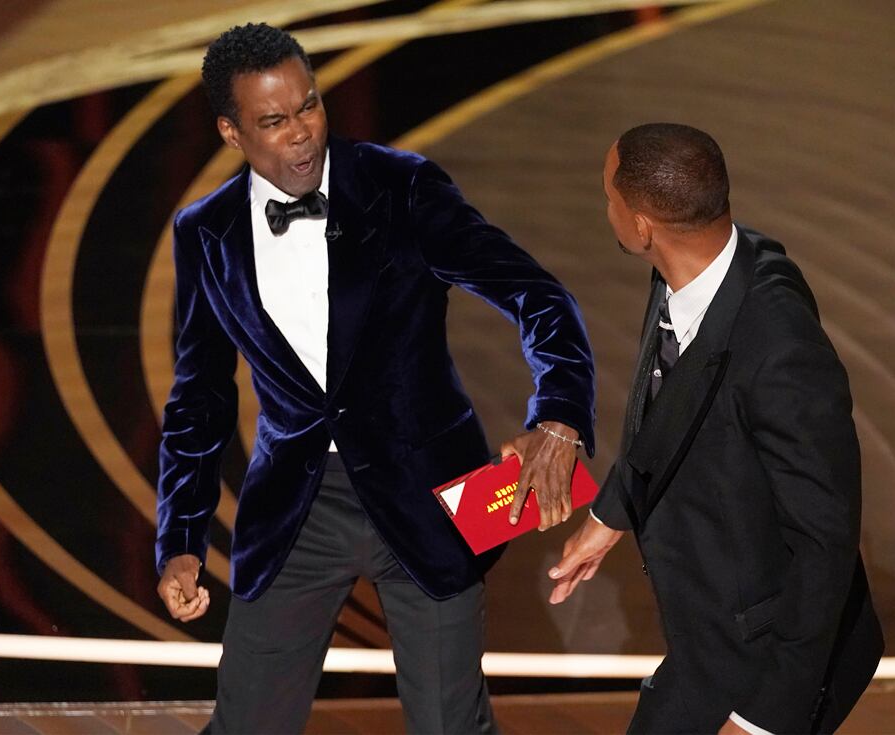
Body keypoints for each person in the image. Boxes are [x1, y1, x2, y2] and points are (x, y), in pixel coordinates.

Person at [154, 22, 595, 734]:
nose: (301, 133)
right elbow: (200, 397)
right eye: (273, 120)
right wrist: (180, 535)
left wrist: (559, 415)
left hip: (430, 495)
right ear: (231, 133)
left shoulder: (403, 187)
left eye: (310, 106)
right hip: (298, 509)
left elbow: (538, 296)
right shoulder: (203, 233)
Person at [547, 123, 883, 735]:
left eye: (609, 199)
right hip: (709, 632)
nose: (607, 210)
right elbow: (674, 402)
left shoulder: (780, 347)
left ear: (642, 226)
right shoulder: (707, 267)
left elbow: (824, 543)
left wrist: (761, 721)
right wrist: (612, 514)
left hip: (767, 656)